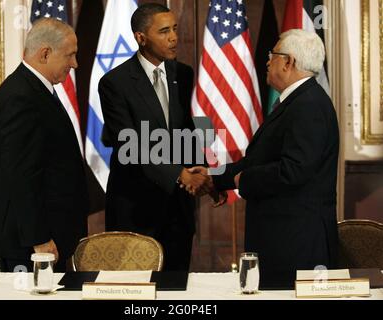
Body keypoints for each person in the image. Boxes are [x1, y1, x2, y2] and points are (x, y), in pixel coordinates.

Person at [190, 29, 339, 287]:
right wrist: (214, 178)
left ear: (289, 61)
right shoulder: (296, 102)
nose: (268, 60)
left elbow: (293, 171)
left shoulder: (308, 105)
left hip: (296, 245)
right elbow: (259, 159)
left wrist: (243, 179)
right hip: (283, 240)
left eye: (273, 54)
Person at [99, 3, 223, 271]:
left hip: (177, 210)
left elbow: (194, 130)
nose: (174, 38)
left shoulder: (184, 74)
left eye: (175, 29)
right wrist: (180, 175)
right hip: (135, 209)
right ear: (141, 38)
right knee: (133, 291)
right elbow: (129, 144)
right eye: (164, 31)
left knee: (175, 288)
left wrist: (209, 179)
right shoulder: (114, 83)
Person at [0, 18, 89, 272]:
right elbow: (21, 175)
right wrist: (38, 238)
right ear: (45, 53)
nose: (74, 64)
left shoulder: (34, 90)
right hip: (30, 246)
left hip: (42, 238)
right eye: (70, 55)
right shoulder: (21, 96)